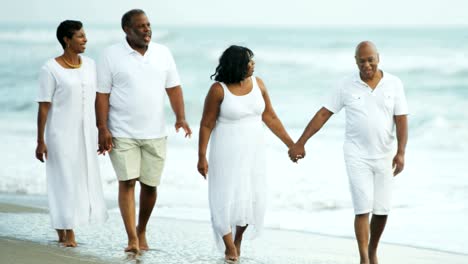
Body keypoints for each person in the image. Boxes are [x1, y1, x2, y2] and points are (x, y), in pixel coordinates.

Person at [288, 41, 408, 264]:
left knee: (381, 210)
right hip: (356, 155)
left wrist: (401, 152)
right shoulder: (345, 85)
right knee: (362, 206)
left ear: (378, 58)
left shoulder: (394, 84)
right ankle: (364, 258)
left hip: (385, 155)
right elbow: (324, 114)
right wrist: (300, 142)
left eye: (370, 59)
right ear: (356, 61)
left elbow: (401, 119)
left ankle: (372, 252)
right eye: (362, 60)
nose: (367, 64)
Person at [95, 9, 192, 254]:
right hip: (121, 131)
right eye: (140, 26)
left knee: (150, 186)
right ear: (127, 30)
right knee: (127, 182)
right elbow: (102, 95)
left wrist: (180, 117)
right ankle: (131, 238)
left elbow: (174, 88)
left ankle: (142, 228)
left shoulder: (163, 53)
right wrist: (102, 127)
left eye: (148, 24)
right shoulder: (110, 55)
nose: (147, 29)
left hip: (155, 132)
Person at [197, 45, 294, 262]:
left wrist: (291, 144)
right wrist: (201, 156)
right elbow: (206, 124)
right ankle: (229, 246)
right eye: (249, 61)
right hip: (226, 152)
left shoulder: (258, 84)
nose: (253, 64)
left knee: (251, 198)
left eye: (252, 60)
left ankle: (237, 240)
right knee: (225, 197)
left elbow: (271, 117)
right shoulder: (218, 90)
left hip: (254, 152)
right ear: (237, 65)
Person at [35, 20, 108, 247]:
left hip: (85, 134)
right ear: (67, 40)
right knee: (63, 180)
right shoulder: (50, 69)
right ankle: (69, 232)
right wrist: (40, 140)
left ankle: (63, 228)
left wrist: (102, 129)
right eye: (80, 36)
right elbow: (44, 106)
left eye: (85, 35)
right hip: (60, 134)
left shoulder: (91, 65)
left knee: (79, 180)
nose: (85, 39)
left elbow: (99, 99)